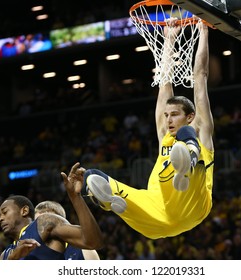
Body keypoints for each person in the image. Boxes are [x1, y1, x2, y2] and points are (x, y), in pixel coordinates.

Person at [83, 20, 214, 239]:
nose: (169, 120)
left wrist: (203, 31)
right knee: (91, 175)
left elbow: (200, 76)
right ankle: (109, 202)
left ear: (190, 116)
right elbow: (164, 82)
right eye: (167, 115)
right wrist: (169, 39)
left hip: (192, 209)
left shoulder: (199, 129)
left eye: (175, 115)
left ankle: (189, 161)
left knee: (185, 136)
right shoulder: (164, 134)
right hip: (156, 214)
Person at [0, 162, 103, 259]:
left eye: (5, 212)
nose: (0, 219)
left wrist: (75, 197)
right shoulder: (5, 255)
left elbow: (93, 242)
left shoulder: (43, 223)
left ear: (24, 211)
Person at [34, 200, 100, 260]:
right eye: (37, 224)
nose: (43, 228)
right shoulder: (30, 252)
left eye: (48, 224)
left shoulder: (84, 251)